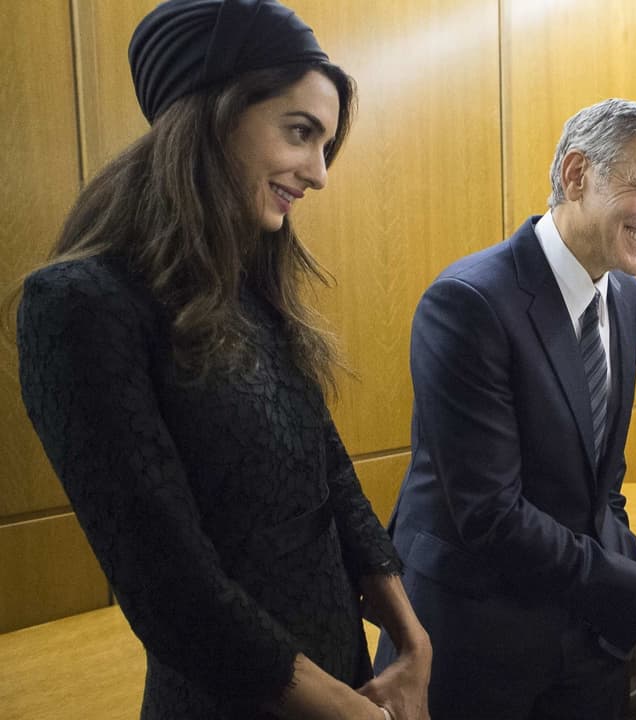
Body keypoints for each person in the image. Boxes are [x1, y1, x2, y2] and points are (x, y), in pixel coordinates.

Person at [14, 2, 431, 718]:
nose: (319, 173)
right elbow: (165, 582)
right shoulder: (78, 304)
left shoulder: (248, 283)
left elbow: (327, 475)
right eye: (301, 133)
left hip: (345, 679)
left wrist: (412, 641)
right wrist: (337, 706)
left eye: (326, 145)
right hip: (235, 699)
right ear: (213, 116)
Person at [375, 98, 636, 720]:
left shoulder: (627, 299)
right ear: (577, 175)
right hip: (477, 644)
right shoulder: (469, 303)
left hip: (585, 637)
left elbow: (603, 491)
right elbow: (492, 516)